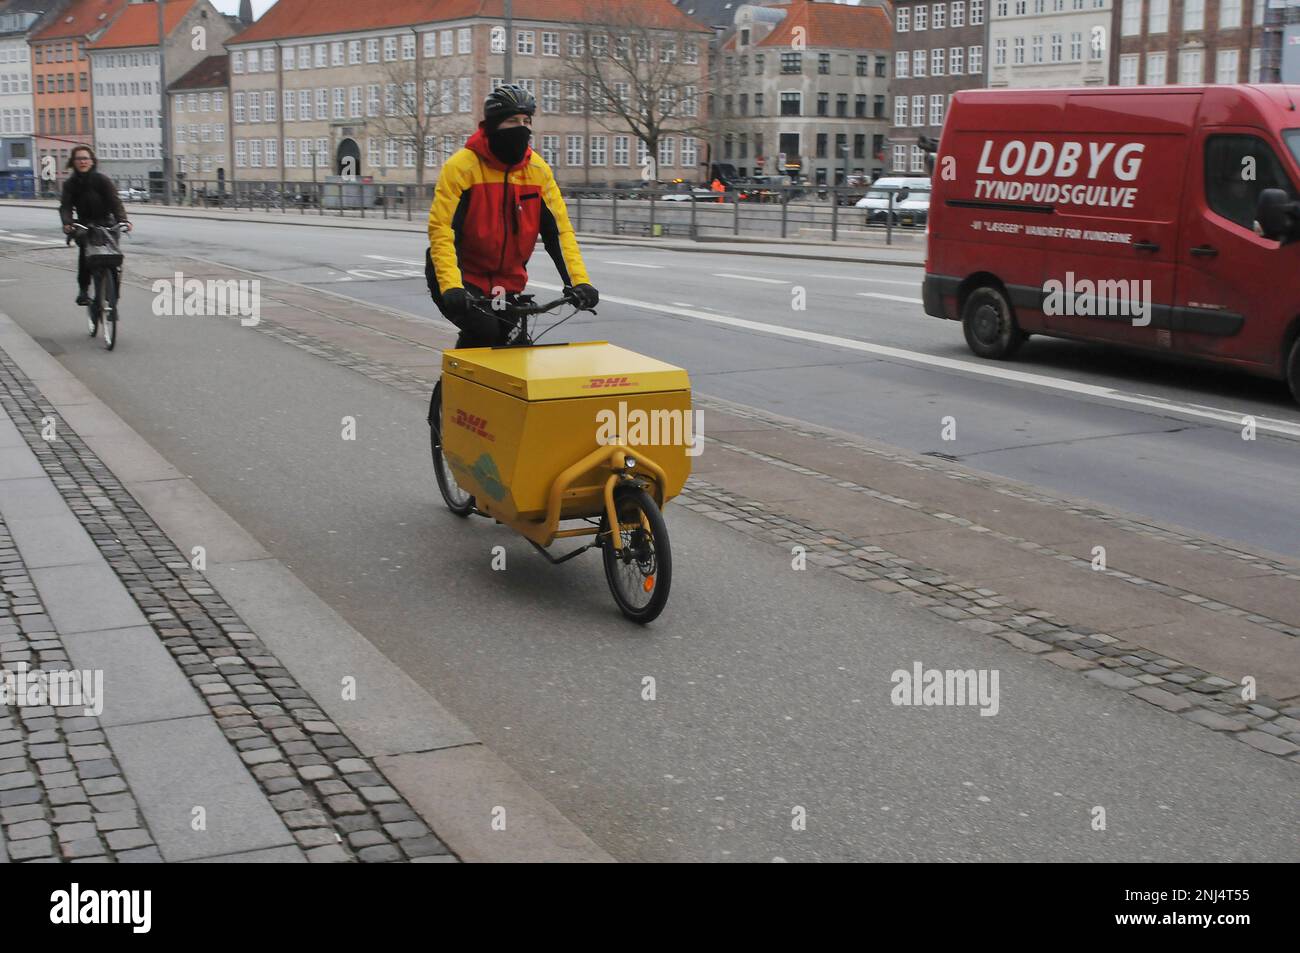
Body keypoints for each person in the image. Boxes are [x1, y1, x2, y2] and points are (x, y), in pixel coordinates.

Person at [425, 83, 598, 347]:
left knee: (511, 342)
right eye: (512, 121)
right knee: (485, 331)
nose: (522, 128)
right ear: (493, 125)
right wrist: (451, 285)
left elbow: (560, 233)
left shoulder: (538, 171)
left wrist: (578, 282)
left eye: (526, 120)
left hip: (507, 281)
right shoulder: (462, 167)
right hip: (461, 276)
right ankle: (452, 387)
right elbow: (442, 230)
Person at [59, 145, 131, 306]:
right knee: (85, 256)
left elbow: (115, 202)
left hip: (107, 222)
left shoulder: (102, 180)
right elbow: (66, 207)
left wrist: (123, 220)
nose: (83, 161)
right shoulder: (70, 184)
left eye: (86, 158)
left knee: (113, 259)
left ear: (92, 161)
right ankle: (84, 291)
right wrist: (68, 223)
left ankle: (113, 296)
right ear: (73, 162)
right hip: (85, 224)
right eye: (79, 159)